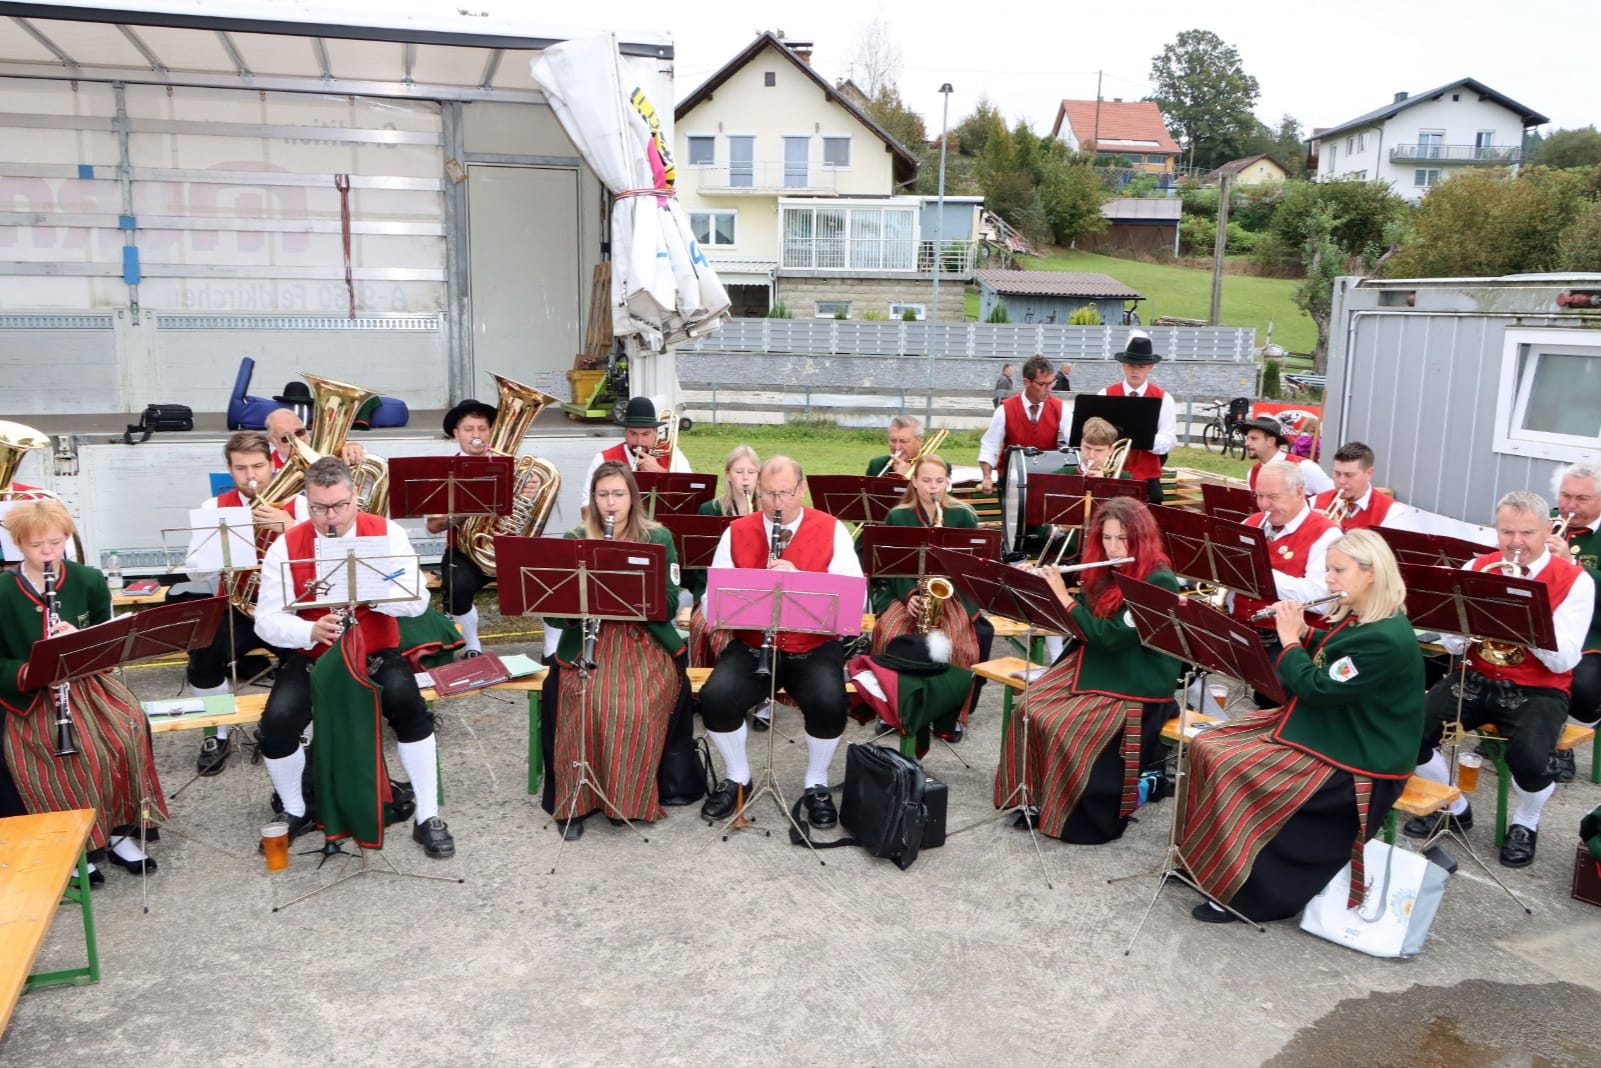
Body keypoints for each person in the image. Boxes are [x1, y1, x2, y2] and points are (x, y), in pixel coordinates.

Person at [1181, 529, 1425, 923]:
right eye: (1328, 569)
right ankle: (1204, 859)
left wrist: (1289, 641)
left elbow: (1315, 688)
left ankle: (1241, 889)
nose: (1328, 578)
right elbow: (1336, 652)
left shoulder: (1385, 638)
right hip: (1336, 729)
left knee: (1231, 764)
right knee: (1209, 743)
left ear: (1371, 574)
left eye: (1338, 570)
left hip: (1361, 756)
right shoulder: (1366, 618)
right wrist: (1305, 632)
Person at [254, 457, 454, 858]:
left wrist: (374, 594)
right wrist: (308, 630)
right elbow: (265, 621)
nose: (332, 517)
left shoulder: (386, 532)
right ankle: (296, 809)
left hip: (376, 650)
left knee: (410, 709)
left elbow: (419, 602)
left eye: (340, 506)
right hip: (315, 655)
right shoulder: (286, 545)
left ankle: (427, 816)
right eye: (319, 508)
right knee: (276, 723)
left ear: (355, 497)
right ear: (305, 503)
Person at [1408, 490, 1593, 867]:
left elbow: (1565, 661)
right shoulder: (1479, 567)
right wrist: (1459, 625)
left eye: (1526, 533)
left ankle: (1527, 820)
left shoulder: (1575, 581)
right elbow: (1454, 647)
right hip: (1477, 674)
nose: (1516, 543)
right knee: (1409, 733)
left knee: (1529, 758)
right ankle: (1455, 806)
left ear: (1546, 531)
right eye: (1507, 532)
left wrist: (1528, 623)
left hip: (1539, 686)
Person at [993, 497, 1182, 843]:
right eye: (1107, 538)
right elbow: (1085, 617)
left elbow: (1108, 637)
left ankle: (1082, 811)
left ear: (1140, 537)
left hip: (1136, 676)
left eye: (1122, 539)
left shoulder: (1160, 580)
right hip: (1097, 663)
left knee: (1066, 724)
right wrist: (1040, 587)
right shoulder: (1106, 569)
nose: (1113, 547)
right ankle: (1035, 797)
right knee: (1029, 708)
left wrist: (1061, 596)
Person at [0, 500, 167, 879]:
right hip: (30, 694)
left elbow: (110, 641)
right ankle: (74, 845)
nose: (47, 554)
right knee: (77, 754)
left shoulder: (87, 579)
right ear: (18, 545)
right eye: (36, 546)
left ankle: (118, 832)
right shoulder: (3, 592)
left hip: (86, 682)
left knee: (127, 730)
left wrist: (81, 643)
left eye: (56, 544)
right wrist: (31, 670)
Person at [698, 457, 864, 827]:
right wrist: (755, 586)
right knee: (716, 698)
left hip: (813, 644)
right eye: (768, 494)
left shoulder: (832, 530)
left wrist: (800, 580)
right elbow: (712, 604)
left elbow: (855, 599)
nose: (776, 503)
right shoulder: (738, 531)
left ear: (801, 490)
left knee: (830, 702)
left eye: (785, 494)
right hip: (755, 644)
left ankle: (816, 782)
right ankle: (738, 776)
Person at [539, 461, 690, 839]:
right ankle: (574, 803)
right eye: (603, 494)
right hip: (589, 640)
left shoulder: (658, 538)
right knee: (584, 698)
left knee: (634, 704)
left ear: (632, 498)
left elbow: (671, 604)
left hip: (643, 639)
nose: (611, 503)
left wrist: (629, 593)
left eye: (618, 494)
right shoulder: (575, 537)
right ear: (593, 499)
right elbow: (554, 615)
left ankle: (627, 800)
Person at [186, 431, 298, 775]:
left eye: (258, 466)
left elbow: (323, 558)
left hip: (288, 607)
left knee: (308, 658)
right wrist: (222, 548)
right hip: (239, 606)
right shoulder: (214, 508)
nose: (251, 475)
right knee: (202, 653)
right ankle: (216, 732)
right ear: (229, 470)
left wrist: (290, 528)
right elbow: (193, 572)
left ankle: (293, 728)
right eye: (241, 468)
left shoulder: (300, 504)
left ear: (272, 465)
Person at [864, 455, 994, 741]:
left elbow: (973, 567)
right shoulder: (898, 516)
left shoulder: (963, 515)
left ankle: (950, 716)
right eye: (926, 481)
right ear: (914, 481)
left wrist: (947, 597)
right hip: (907, 592)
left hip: (952, 594)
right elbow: (891, 567)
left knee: (960, 644)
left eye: (939, 481)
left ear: (948, 482)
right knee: (889, 632)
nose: (933, 488)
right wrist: (909, 595)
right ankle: (891, 711)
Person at [423, 398, 514, 658]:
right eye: (469, 429)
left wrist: (524, 492)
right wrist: (461, 513)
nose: (476, 435)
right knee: (456, 586)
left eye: (482, 429)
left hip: (506, 546)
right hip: (465, 551)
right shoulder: (443, 472)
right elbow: (432, 527)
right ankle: (473, 644)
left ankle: (551, 651)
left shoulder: (510, 464)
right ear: (456, 434)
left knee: (544, 581)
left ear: (490, 432)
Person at [1549, 462, 1601, 783]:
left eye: (1582, 499)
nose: (1570, 506)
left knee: (1580, 683)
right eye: (1566, 495)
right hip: (1545, 622)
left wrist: (1570, 566)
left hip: (1592, 632)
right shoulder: (1544, 521)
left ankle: (1563, 741)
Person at [1097, 332, 1176, 505]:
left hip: (1147, 478)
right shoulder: (1105, 394)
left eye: (1141, 366)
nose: (1135, 370)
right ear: (1123, 366)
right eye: (1131, 365)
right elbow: (1094, 436)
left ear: (1150, 367)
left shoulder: (1164, 399)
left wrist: (1144, 438)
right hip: (1112, 475)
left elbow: (1169, 440)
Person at [580, 396, 691, 514]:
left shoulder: (674, 454)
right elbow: (586, 510)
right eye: (633, 433)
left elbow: (690, 496)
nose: (639, 441)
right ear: (625, 432)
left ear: (656, 433)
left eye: (646, 434)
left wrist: (661, 474)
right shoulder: (603, 459)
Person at [978, 354, 1066, 495]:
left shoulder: (1061, 409)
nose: (1049, 389)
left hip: (1047, 484)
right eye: (1043, 384)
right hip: (1010, 483)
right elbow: (989, 446)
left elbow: (1075, 445)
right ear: (1026, 382)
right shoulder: (1004, 410)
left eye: (1051, 383)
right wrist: (987, 477)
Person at [1310, 441, 1396, 531]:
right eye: (1337, 473)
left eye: (1349, 475)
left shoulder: (1391, 512)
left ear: (1369, 474)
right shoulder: (1314, 503)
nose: (1341, 481)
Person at [1242, 415, 1333, 497]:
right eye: (1247, 439)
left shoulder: (1303, 467)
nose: (1247, 443)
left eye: (1254, 439)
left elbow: (1333, 496)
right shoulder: (1253, 473)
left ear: (1271, 441)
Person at [264, 405, 366, 471]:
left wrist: (354, 451)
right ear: (273, 441)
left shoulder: (330, 452)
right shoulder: (267, 469)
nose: (297, 441)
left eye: (299, 432)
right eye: (286, 438)